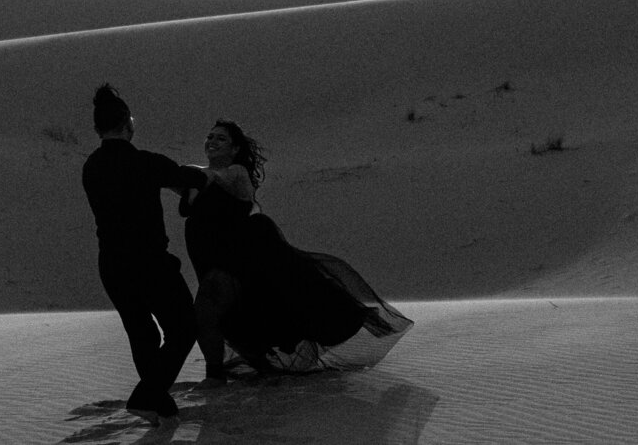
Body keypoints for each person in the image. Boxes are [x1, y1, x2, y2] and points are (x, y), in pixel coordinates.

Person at [180, 119, 413, 384]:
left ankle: (215, 376)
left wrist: (197, 175)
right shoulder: (194, 175)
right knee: (236, 316)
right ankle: (255, 370)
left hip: (238, 256)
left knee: (208, 311)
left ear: (235, 149)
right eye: (210, 136)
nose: (212, 141)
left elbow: (226, 186)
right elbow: (174, 179)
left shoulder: (236, 172)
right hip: (207, 255)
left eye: (221, 138)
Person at [81, 84, 207, 425]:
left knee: (143, 334)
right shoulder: (144, 162)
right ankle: (147, 397)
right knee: (183, 328)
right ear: (127, 123)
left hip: (111, 264)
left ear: (97, 128)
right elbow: (188, 176)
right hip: (148, 262)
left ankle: (160, 408)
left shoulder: (91, 167)